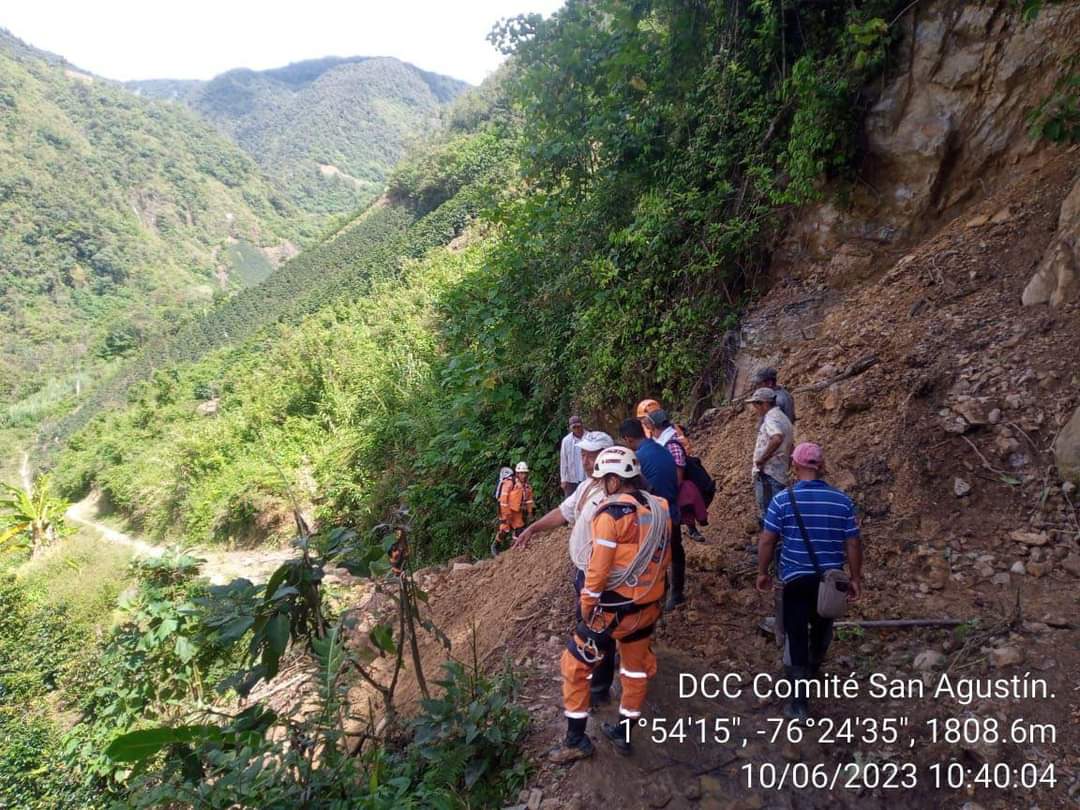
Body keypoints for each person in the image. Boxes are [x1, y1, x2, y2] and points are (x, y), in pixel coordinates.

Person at [550, 446, 671, 763]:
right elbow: (662, 559)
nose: (602, 486)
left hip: (611, 611)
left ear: (615, 481)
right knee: (634, 672)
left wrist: (586, 605)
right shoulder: (659, 508)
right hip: (646, 609)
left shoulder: (611, 514)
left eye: (605, 480)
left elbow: (599, 569)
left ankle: (575, 740)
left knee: (574, 667)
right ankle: (624, 733)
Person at [755, 442, 862, 719]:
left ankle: (799, 703)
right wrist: (855, 578)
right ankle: (814, 666)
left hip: (795, 579)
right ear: (821, 466)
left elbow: (768, 540)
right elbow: (853, 543)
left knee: (797, 635)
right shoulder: (842, 501)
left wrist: (763, 572)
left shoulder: (782, 500)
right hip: (831, 582)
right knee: (823, 625)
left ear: (795, 466)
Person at [514, 431, 616, 703]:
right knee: (591, 624)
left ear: (606, 455)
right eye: (582, 454)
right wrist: (533, 528)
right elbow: (563, 512)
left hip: (603, 575)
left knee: (597, 627)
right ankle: (598, 678)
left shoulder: (617, 492)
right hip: (585, 571)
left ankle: (598, 689)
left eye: (590, 455)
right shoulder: (587, 487)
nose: (585, 460)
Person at [619, 418, 685, 609]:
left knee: (656, 557)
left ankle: (659, 597)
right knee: (676, 551)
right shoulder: (663, 449)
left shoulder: (637, 459)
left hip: (654, 516)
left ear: (628, 439)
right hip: (672, 510)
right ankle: (677, 593)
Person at [647, 409, 708, 543]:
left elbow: (678, 473)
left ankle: (686, 532)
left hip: (673, 487)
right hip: (667, 486)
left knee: (680, 513)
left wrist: (669, 491)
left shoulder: (671, 444)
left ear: (653, 425)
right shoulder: (662, 439)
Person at [749, 388, 794, 527]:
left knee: (769, 513)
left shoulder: (771, 418)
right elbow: (791, 445)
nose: (755, 409)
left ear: (763, 404)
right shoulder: (783, 418)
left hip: (769, 472)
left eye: (755, 405)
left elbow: (777, 438)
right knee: (777, 511)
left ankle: (771, 547)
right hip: (779, 472)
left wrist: (762, 459)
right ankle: (776, 545)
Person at [495, 461, 534, 555]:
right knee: (504, 529)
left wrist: (530, 512)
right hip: (507, 510)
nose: (523, 475)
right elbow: (503, 500)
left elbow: (529, 501)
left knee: (519, 528)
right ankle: (496, 545)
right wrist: (506, 513)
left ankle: (516, 549)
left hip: (517, 511)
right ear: (517, 473)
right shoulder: (510, 483)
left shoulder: (527, 487)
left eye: (524, 473)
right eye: (521, 473)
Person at [559, 416, 587, 496]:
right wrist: (563, 479)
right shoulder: (566, 441)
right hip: (571, 479)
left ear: (582, 425)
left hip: (586, 477)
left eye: (578, 426)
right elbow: (564, 460)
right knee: (570, 503)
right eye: (574, 427)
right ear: (570, 428)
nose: (577, 429)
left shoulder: (589, 437)